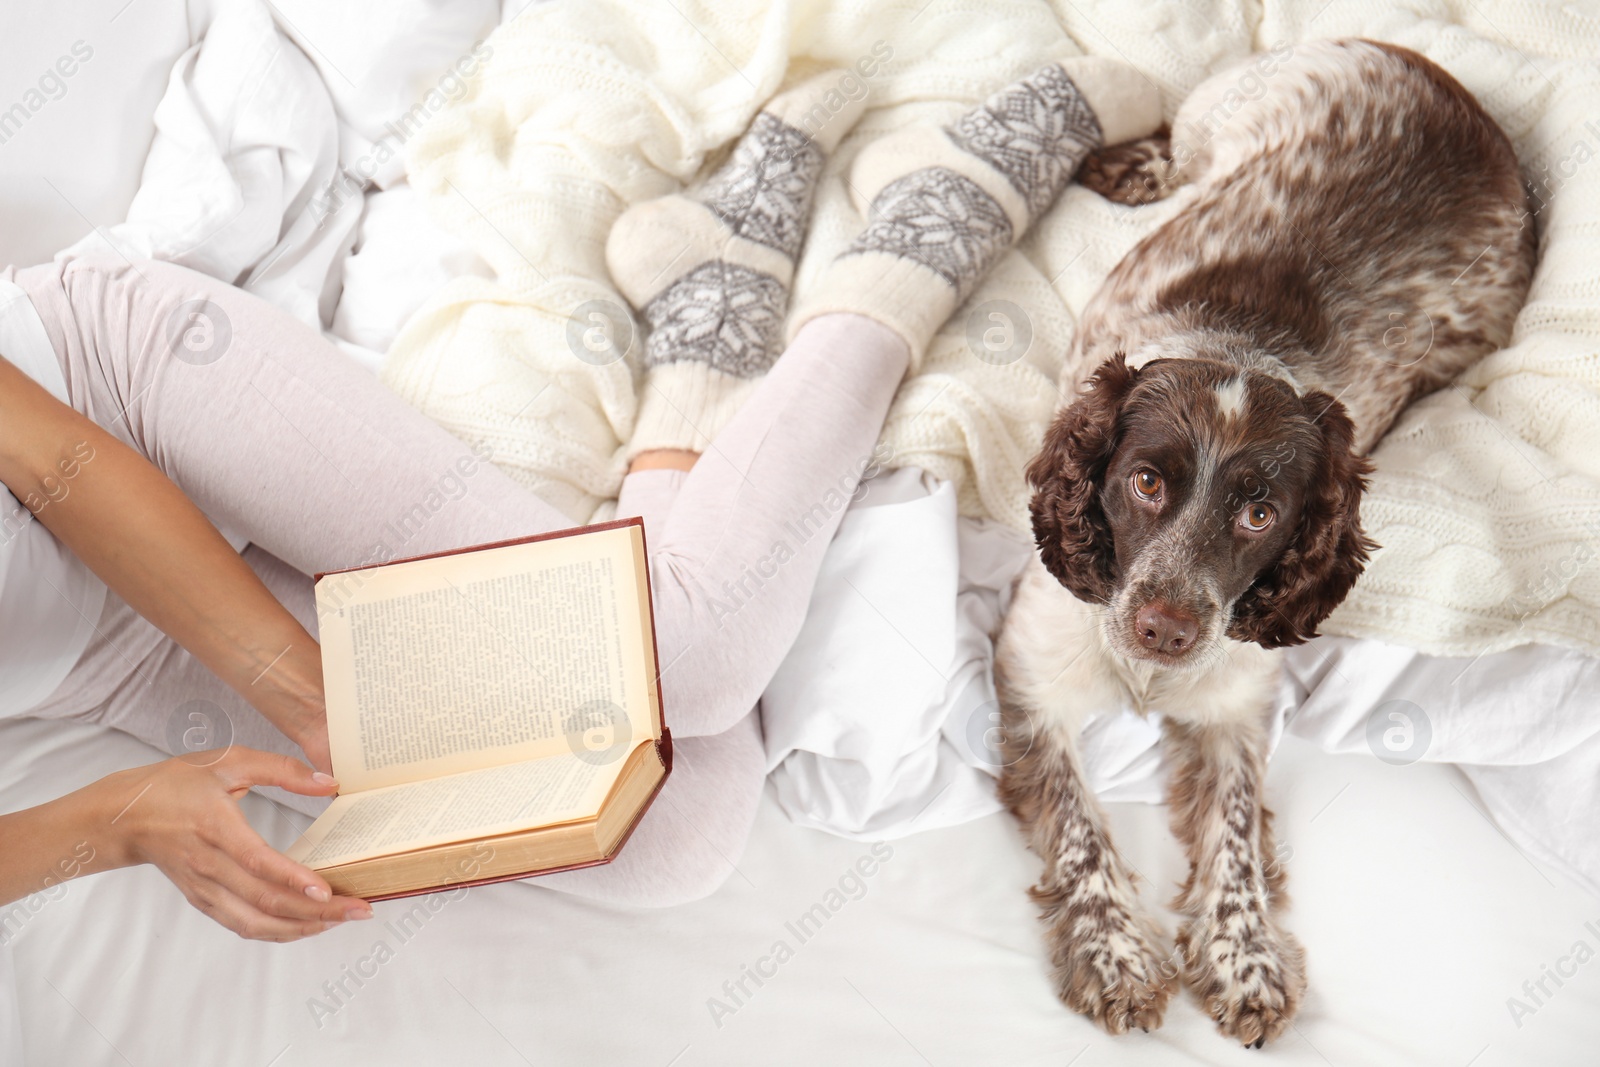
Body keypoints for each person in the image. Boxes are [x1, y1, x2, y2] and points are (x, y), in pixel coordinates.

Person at [0, 60, 1157, 940]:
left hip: (112, 396)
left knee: (693, 646)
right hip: (101, 652)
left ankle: (928, 227)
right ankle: (706, 335)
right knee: (673, 823)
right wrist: (120, 819)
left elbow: (56, 462)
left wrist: (303, 690)